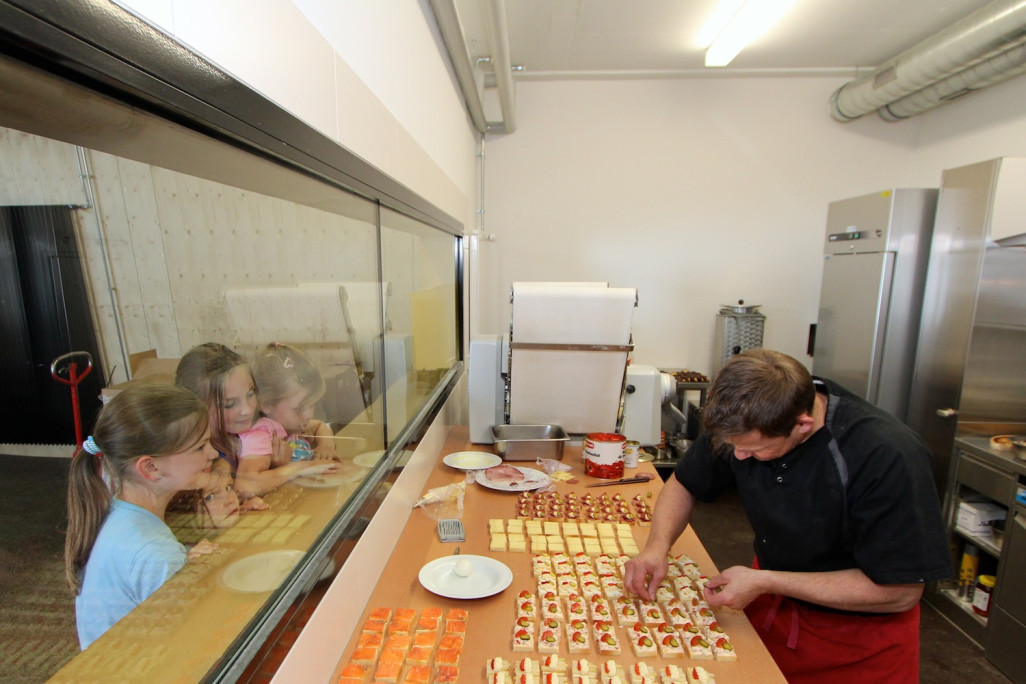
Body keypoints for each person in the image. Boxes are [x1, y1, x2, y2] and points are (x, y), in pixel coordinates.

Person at [623, 348, 950, 683]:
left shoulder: (888, 457)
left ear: (803, 425)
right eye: (733, 445)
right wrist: (657, 547)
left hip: (855, 642)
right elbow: (685, 482)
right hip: (769, 606)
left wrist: (768, 580)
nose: (738, 456)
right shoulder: (747, 414)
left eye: (754, 450)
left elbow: (900, 592)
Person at [65, 383, 220, 650]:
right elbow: (192, 644)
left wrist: (184, 557)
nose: (213, 453)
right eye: (200, 447)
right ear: (150, 467)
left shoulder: (118, 512)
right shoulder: (153, 552)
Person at [176, 342, 335, 498]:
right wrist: (301, 467)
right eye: (230, 404)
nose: (248, 410)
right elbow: (244, 488)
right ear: (198, 408)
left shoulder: (252, 426)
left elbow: (317, 426)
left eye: (251, 393)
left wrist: (324, 445)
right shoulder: (199, 460)